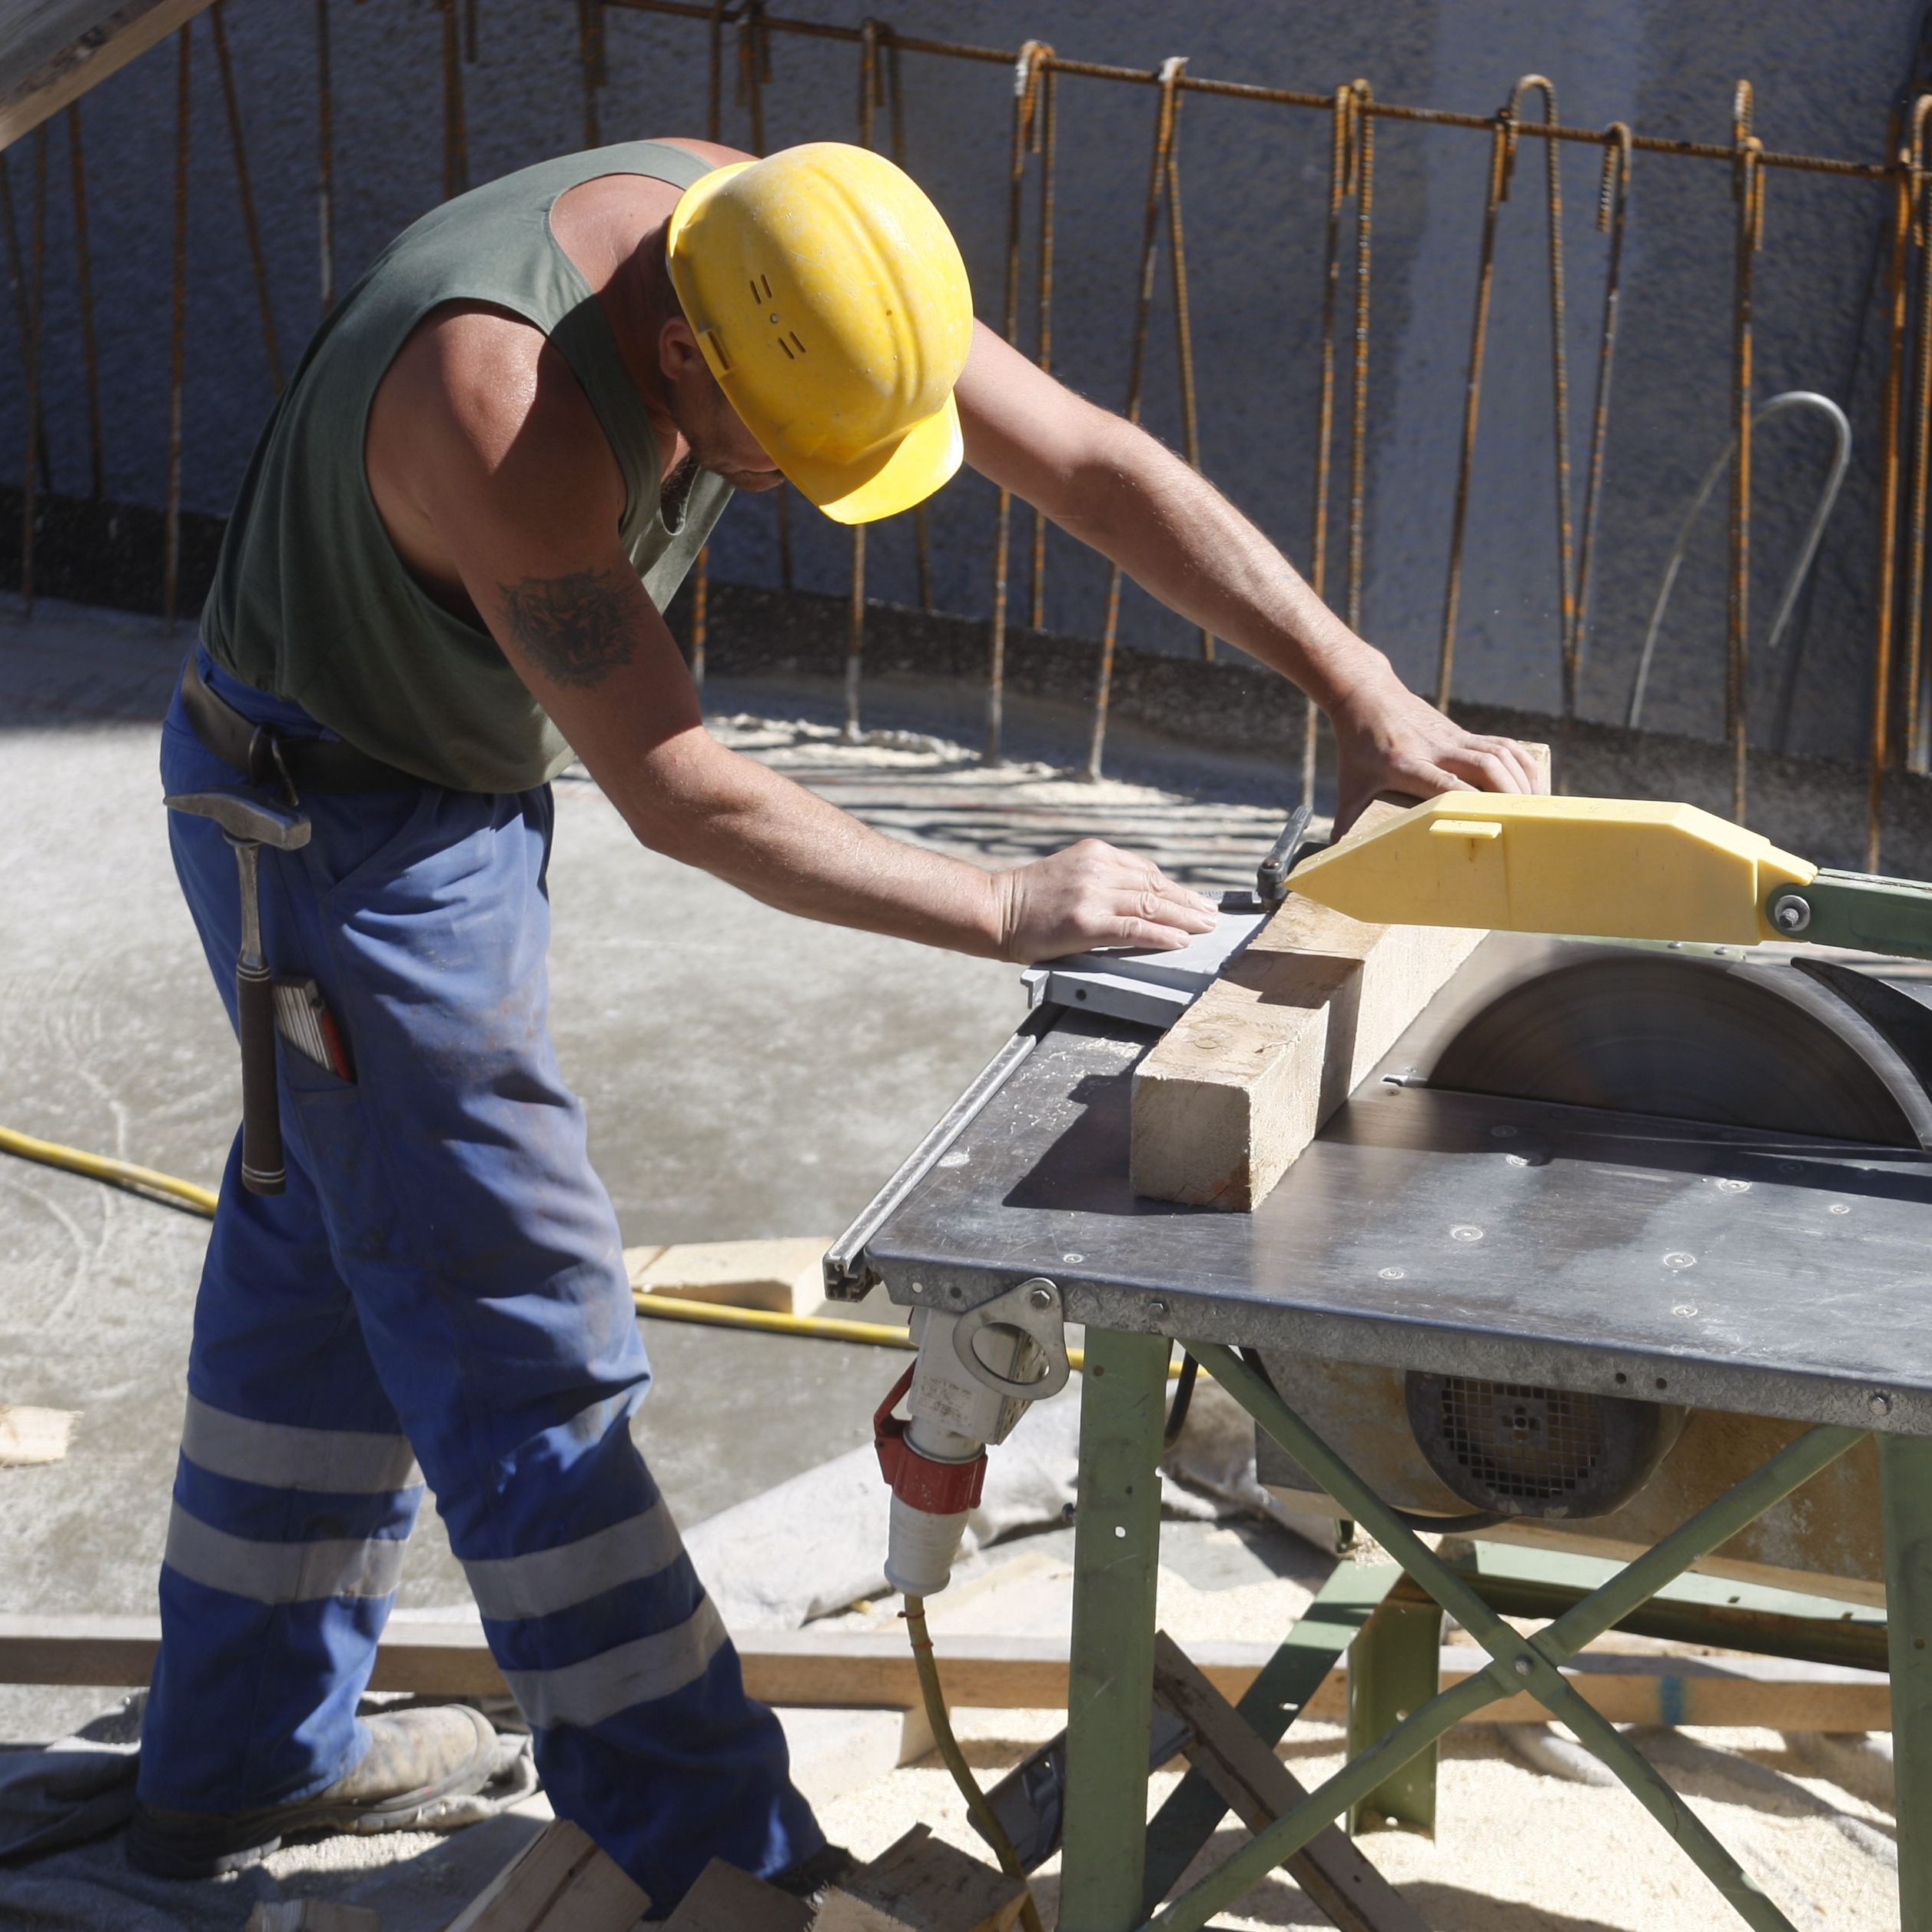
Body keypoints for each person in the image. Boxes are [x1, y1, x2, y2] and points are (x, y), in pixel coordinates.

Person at [134, 137, 1545, 1907]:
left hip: (451, 780)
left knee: (336, 1263)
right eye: (780, 457)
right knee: (517, 1326)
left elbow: (1098, 464)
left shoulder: (801, 254)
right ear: (679, 361)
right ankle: (712, 1846)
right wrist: (1002, 904)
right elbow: (682, 786)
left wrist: (1360, 685)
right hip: (326, 816)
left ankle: (237, 1764)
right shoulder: (498, 406)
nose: (803, 494)